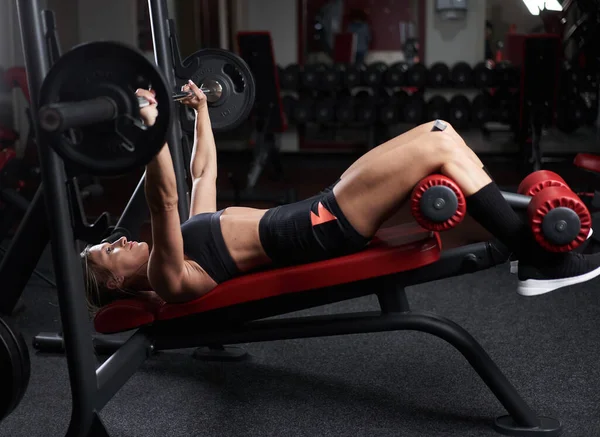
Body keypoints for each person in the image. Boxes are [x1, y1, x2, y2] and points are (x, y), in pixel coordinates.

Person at [81, 81, 600, 313]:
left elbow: (200, 176)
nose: (118, 240)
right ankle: (536, 260)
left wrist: (199, 113)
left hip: (315, 214)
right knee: (439, 140)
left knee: (439, 131)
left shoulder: (185, 247)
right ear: (119, 283)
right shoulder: (167, 279)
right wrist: (151, 129)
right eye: (108, 252)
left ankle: (528, 254)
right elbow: (163, 201)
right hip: (317, 228)